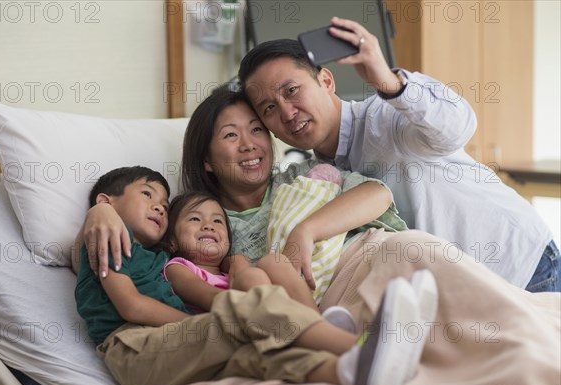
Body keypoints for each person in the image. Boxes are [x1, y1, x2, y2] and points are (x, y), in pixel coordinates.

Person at [237, 16, 559, 293]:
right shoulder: (317, 180)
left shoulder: (384, 116)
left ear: (326, 80)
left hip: (525, 268)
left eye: (291, 91)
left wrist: (390, 83)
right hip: (470, 293)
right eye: (269, 108)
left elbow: (458, 126)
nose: (287, 111)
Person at [74, 165, 436, 385]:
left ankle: (354, 372)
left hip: (167, 347)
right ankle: (356, 345)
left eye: (165, 204)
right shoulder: (107, 240)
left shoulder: (155, 257)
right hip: (134, 348)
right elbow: (131, 305)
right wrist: (100, 211)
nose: (159, 206)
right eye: (147, 194)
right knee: (243, 308)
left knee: (262, 356)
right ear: (107, 202)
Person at [162, 190, 319, 311]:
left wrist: (238, 262)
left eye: (217, 221)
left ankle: (316, 318)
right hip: (231, 315)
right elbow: (209, 297)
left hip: (265, 307)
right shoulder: (177, 268)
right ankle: (287, 319)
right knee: (252, 276)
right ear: (172, 242)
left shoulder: (231, 269)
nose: (209, 225)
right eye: (195, 219)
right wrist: (244, 277)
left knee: (273, 261)